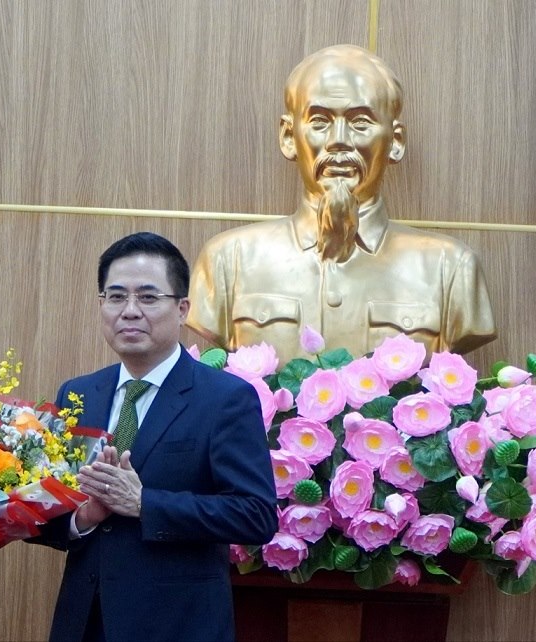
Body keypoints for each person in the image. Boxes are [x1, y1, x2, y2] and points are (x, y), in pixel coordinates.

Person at [32, 232, 278, 642]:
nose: (129, 311)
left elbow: (256, 515)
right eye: (115, 297)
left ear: (182, 309)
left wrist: (146, 503)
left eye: (148, 297)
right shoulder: (77, 395)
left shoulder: (225, 399)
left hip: (178, 625)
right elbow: (45, 514)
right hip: (85, 623)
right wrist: (82, 519)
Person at [187, 44, 496, 363]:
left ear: (396, 141)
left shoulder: (450, 268)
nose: (338, 139)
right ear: (289, 137)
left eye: (360, 122)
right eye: (319, 121)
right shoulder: (228, 260)